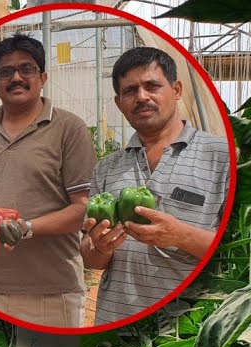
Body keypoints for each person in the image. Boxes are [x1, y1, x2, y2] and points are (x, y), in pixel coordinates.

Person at [0, 33, 98, 327]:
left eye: (26, 69)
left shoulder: (68, 129)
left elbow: (83, 208)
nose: (16, 77)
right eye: (5, 72)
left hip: (53, 292)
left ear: (43, 77)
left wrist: (26, 228)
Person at [80, 46, 230, 324]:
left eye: (152, 86)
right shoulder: (107, 167)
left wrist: (180, 235)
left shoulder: (223, 157)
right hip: (116, 323)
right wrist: (100, 247)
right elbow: (91, 258)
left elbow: (237, 252)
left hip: (187, 331)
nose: (142, 97)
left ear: (176, 90)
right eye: (130, 91)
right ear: (118, 102)